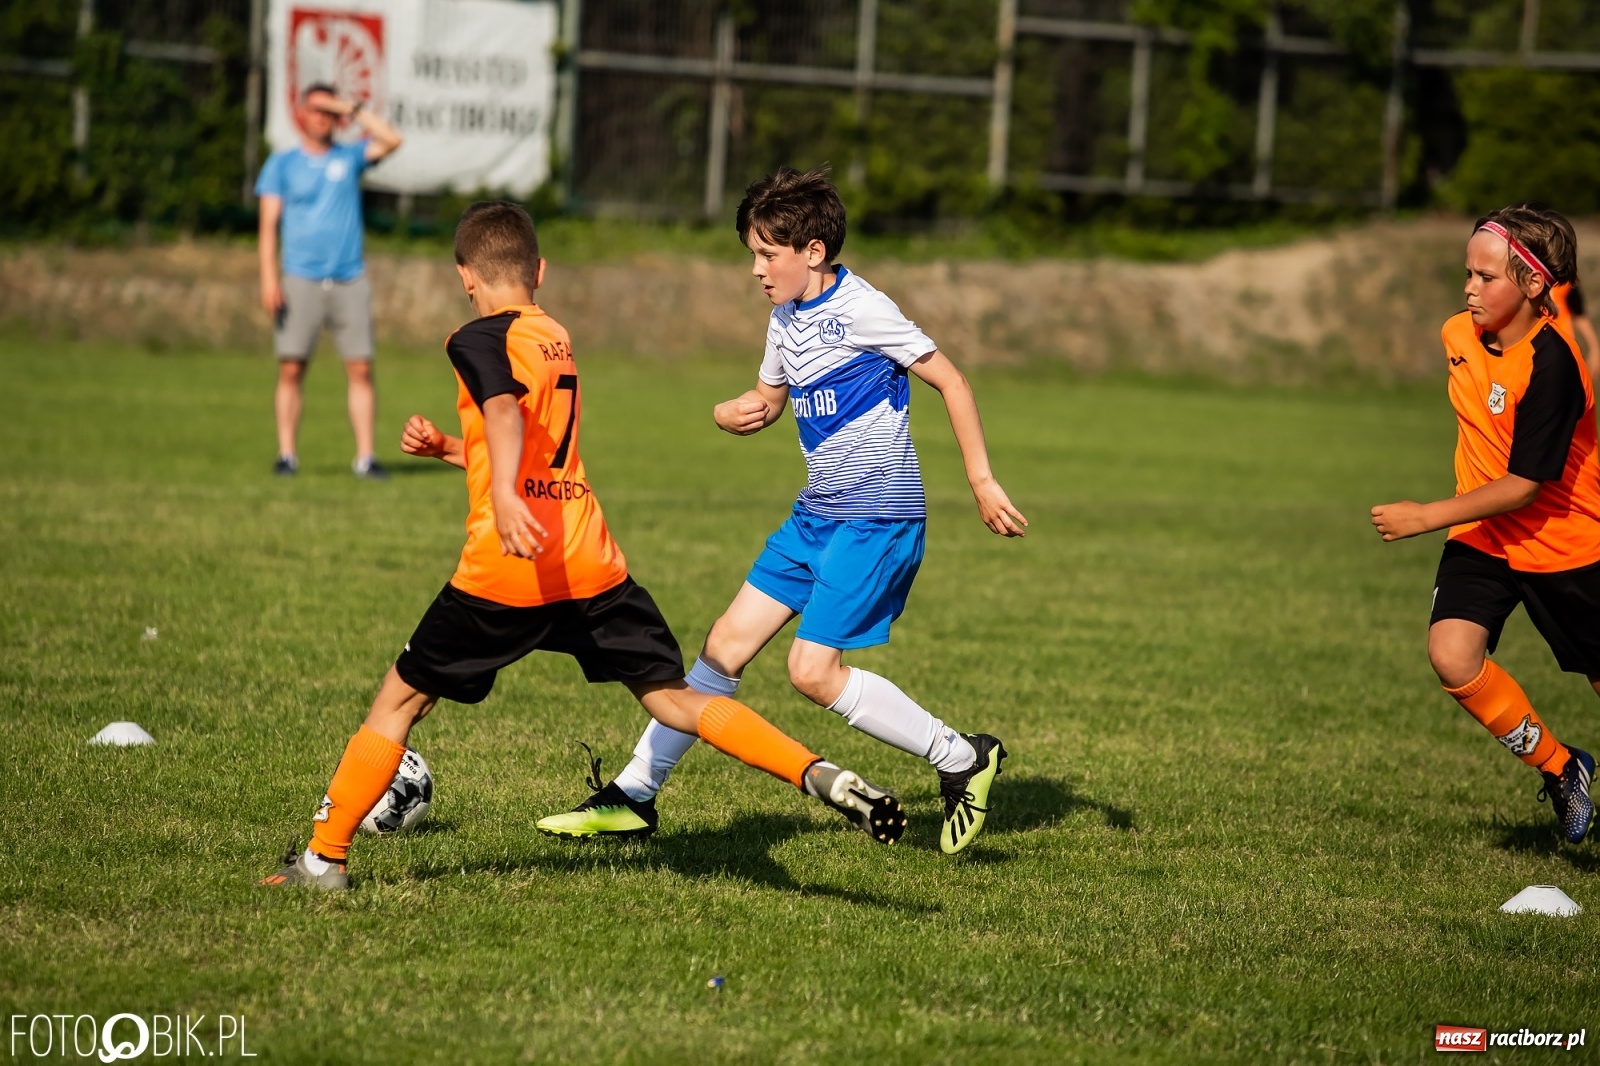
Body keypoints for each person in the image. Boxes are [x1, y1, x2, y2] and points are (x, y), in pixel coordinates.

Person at [261, 201, 904, 891]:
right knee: (674, 700)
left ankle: (323, 859)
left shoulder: (474, 338)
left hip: (508, 569)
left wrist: (505, 498)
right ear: (539, 270)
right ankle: (814, 771)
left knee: (399, 703)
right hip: (590, 562)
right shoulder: (555, 336)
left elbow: (503, 415)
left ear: (465, 276)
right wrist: (451, 448)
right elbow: (537, 451)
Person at [537, 167, 1028, 855]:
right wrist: (732, 412)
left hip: (876, 518)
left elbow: (951, 380)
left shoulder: (864, 309)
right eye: (753, 254)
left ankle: (961, 757)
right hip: (816, 516)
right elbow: (768, 400)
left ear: (813, 251)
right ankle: (633, 796)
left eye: (768, 254)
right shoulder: (783, 319)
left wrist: (981, 480)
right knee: (723, 648)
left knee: (811, 672)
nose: (757, 269)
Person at [1371, 203, 1600, 845]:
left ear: (1533, 283)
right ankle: (1562, 768)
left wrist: (1425, 516)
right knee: (1452, 655)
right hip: (1485, 533)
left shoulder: (1554, 366)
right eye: (1467, 273)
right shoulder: (1458, 335)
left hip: (1566, 542)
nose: (1469, 289)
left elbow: (1525, 485)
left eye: (1486, 277)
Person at [256, 82, 403, 479]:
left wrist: (349, 108)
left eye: (328, 112)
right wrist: (269, 279)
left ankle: (365, 457)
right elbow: (268, 227)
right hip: (300, 278)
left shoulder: (349, 156)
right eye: (316, 110)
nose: (322, 119)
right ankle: (287, 454)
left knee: (360, 368)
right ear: (301, 114)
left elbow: (393, 139)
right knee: (291, 368)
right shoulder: (282, 165)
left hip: (348, 278)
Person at [1551, 279, 1600, 381]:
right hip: (1534, 350)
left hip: (1564, 349)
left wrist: (1595, 348)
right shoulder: (1526, 275)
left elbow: (1578, 311)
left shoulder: (1565, 278)